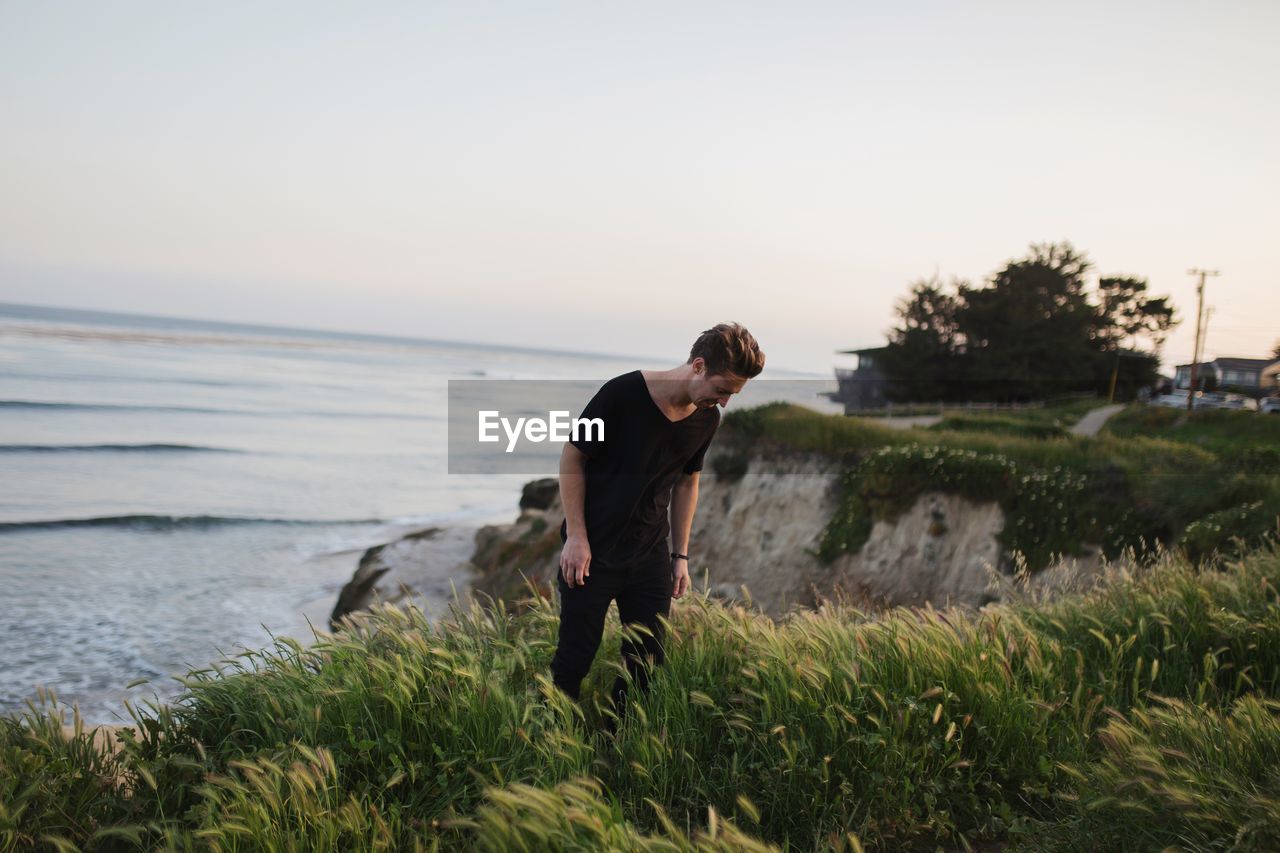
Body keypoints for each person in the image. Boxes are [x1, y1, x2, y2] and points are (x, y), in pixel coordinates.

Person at [550, 322, 765, 728]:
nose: (724, 403)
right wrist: (576, 536)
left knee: (646, 664)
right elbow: (572, 457)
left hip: (649, 555)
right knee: (574, 659)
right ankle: (552, 737)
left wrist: (680, 556)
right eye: (723, 390)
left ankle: (617, 743)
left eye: (732, 395)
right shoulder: (622, 394)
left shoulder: (706, 420)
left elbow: (688, 480)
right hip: (592, 551)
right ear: (698, 366)